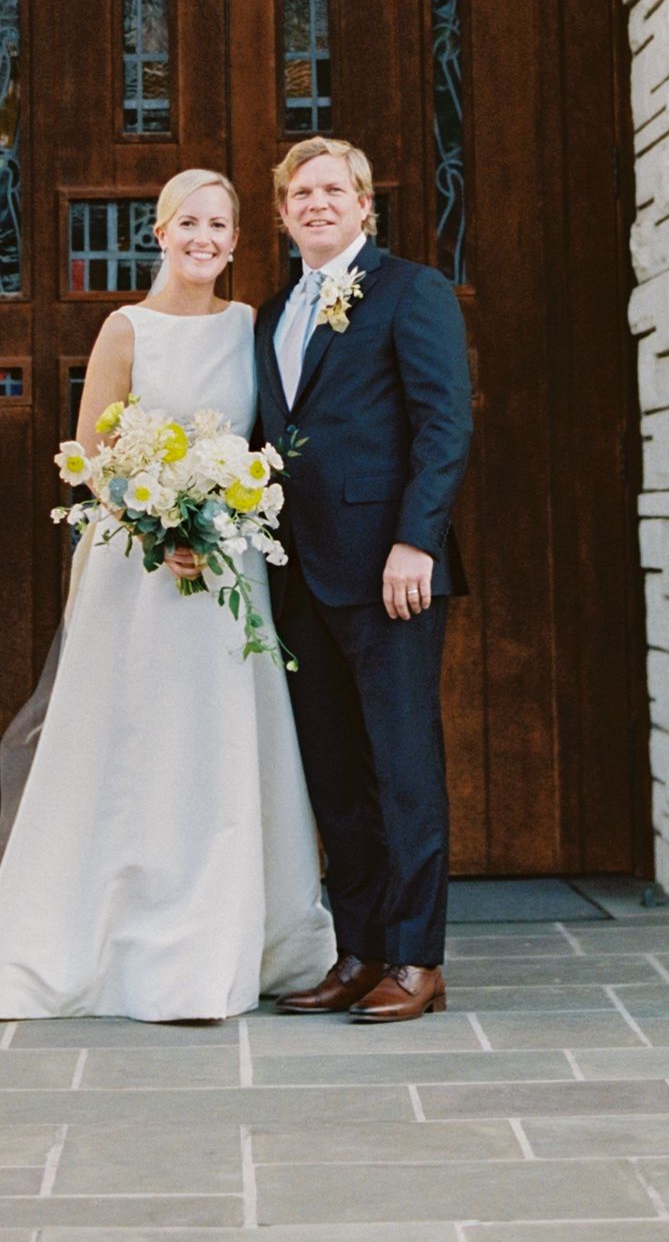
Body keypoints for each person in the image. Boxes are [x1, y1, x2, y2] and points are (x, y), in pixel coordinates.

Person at [0, 167, 334, 1022]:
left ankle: (222, 938)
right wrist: (163, 525)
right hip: (139, 570)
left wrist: (213, 513)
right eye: (188, 222)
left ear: (234, 241)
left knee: (219, 740)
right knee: (129, 738)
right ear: (160, 232)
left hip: (226, 562)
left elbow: (262, 442)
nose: (203, 238)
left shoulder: (249, 326)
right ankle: (95, 936)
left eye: (219, 226)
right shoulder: (126, 330)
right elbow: (89, 454)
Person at [255, 135, 474, 1025]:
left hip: (391, 572)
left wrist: (416, 542)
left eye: (332, 190)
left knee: (402, 768)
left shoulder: (409, 290)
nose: (315, 203)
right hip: (299, 573)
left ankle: (418, 959)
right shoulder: (272, 309)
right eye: (299, 193)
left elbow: (443, 424)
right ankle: (360, 951)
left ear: (363, 204)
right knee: (336, 777)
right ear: (280, 213)